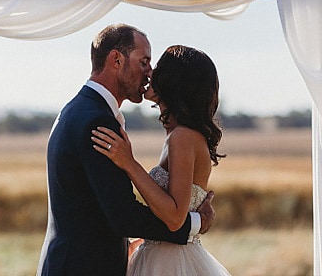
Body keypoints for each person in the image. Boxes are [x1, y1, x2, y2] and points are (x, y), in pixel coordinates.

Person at [38, 24, 215, 276]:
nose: (149, 73)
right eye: (144, 62)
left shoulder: (82, 110)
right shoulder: (95, 120)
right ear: (116, 59)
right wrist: (195, 224)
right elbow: (122, 214)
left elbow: (101, 208)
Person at [91, 45, 233, 275]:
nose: (150, 73)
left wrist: (129, 163)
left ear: (176, 80)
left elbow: (175, 217)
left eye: (158, 67)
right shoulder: (180, 134)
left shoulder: (183, 137)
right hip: (163, 256)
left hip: (171, 263)